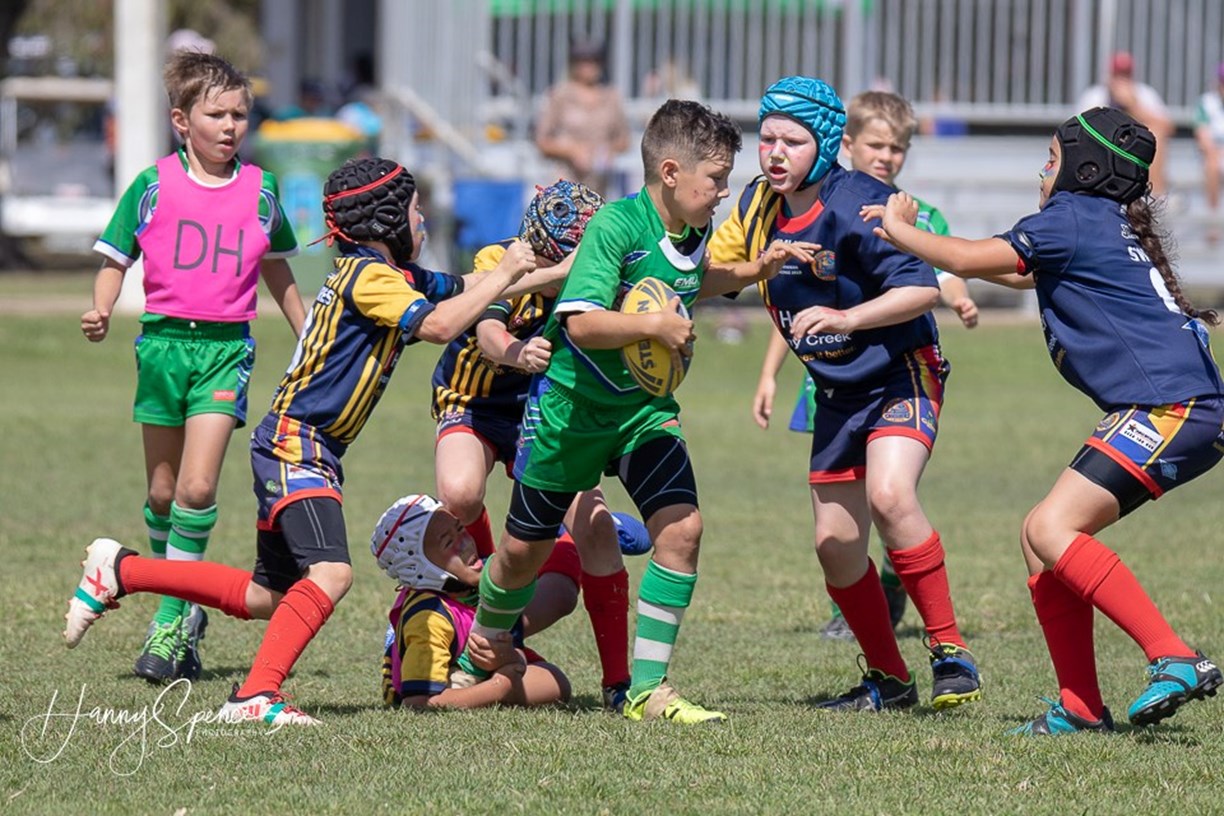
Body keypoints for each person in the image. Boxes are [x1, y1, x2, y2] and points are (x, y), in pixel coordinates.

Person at [64, 156, 541, 725]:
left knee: (268, 595)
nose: (423, 224)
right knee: (332, 575)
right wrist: (507, 268)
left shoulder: (393, 276)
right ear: (386, 219)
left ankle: (123, 570)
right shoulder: (369, 277)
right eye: (415, 212)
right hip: (298, 443)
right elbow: (442, 325)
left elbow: (469, 287)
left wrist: (563, 270)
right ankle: (253, 697)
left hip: (302, 445)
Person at [451, 99, 814, 725]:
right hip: (570, 412)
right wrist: (654, 325)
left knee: (683, 528)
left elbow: (697, 277)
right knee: (520, 555)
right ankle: (482, 642)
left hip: (643, 413)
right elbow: (583, 323)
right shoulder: (616, 227)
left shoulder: (690, 231)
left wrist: (758, 269)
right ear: (670, 172)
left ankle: (646, 690)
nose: (724, 194)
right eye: (716, 180)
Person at [867, 107, 1224, 734]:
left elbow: (972, 257)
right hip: (1178, 407)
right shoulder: (1100, 222)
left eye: (1052, 160)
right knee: (1038, 541)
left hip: (1171, 407)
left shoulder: (1072, 217)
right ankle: (1081, 706)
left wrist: (901, 230)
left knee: (1054, 528)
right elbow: (1010, 269)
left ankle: (1174, 656)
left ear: (1082, 171)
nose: (1042, 171)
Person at [709, 76, 982, 713]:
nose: (775, 152)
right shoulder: (754, 207)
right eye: (767, 138)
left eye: (793, 141)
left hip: (900, 371)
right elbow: (710, 275)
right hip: (836, 392)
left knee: (891, 494)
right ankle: (889, 681)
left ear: (826, 142)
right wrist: (750, 270)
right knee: (835, 545)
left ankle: (951, 656)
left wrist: (847, 320)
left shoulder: (863, 201)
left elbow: (921, 291)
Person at [80, 51, 306, 685]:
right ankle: (184, 599)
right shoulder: (152, 183)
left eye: (240, 114)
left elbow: (277, 265)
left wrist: (306, 331)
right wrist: (100, 308)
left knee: (198, 490)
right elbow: (113, 258)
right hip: (161, 348)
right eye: (217, 114)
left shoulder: (262, 188)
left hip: (225, 351)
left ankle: (171, 621)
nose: (231, 126)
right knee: (161, 492)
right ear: (182, 120)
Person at [431, 179, 636, 711]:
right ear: (542, 247)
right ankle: (482, 589)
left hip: (545, 412)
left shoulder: (600, 273)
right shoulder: (500, 258)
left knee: (587, 551)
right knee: (460, 494)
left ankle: (617, 684)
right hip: (473, 399)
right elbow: (488, 335)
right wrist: (519, 351)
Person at [374, 495, 652, 710]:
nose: (466, 543)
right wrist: (500, 683)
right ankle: (560, 537)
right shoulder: (428, 618)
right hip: (464, 673)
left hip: (473, 663)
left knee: (560, 598)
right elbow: (418, 704)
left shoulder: (464, 581)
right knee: (556, 684)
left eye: (461, 529)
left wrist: (504, 659)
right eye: (449, 543)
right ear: (421, 568)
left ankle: (574, 539)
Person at [533, 39, 631, 197]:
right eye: (583, 61)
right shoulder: (559, 95)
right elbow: (542, 141)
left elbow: (624, 140)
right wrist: (571, 151)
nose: (589, 66)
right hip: (565, 184)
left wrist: (607, 150)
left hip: (599, 186)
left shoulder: (610, 97)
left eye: (595, 60)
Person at [1076, 51, 1172, 198]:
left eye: (1125, 75)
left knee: (1157, 135)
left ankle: (1155, 195)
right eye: (1118, 75)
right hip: (1103, 149)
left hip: (1134, 149)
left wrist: (1133, 106)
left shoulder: (1144, 93)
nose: (1122, 80)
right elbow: (1079, 129)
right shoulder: (1095, 96)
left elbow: (1167, 127)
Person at [1193, 61, 1224, 240]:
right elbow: (1203, 138)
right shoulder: (1206, 102)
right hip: (1212, 153)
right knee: (1212, 164)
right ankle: (1213, 221)